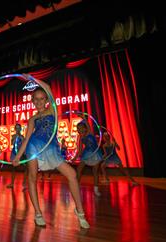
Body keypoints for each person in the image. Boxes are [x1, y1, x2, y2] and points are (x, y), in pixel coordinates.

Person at [12, 76, 89, 228]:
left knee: (72, 175)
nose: (39, 102)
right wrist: (18, 157)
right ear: (32, 101)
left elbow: (47, 85)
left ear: (46, 99)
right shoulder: (32, 119)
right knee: (32, 178)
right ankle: (38, 213)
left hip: (51, 148)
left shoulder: (52, 110)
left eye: (42, 98)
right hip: (34, 147)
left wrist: (31, 78)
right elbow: (26, 139)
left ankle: (80, 211)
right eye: (36, 99)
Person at [73, 115, 102, 196]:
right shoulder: (80, 138)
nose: (80, 129)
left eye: (81, 128)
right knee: (78, 170)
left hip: (95, 153)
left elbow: (86, 122)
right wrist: (74, 158)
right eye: (78, 128)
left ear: (85, 128)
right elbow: (80, 150)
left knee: (95, 172)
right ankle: (77, 187)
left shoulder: (89, 133)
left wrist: (83, 117)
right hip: (87, 154)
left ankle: (96, 190)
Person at [6, 123, 27, 190]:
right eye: (16, 128)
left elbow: (24, 145)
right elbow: (12, 143)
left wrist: (23, 154)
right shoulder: (13, 136)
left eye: (19, 128)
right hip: (14, 153)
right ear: (15, 129)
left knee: (26, 168)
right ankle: (12, 183)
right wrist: (15, 138)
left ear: (20, 129)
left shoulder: (22, 137)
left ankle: (24, 183)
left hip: (21, 154)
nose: (17, 129)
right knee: (13, 168)